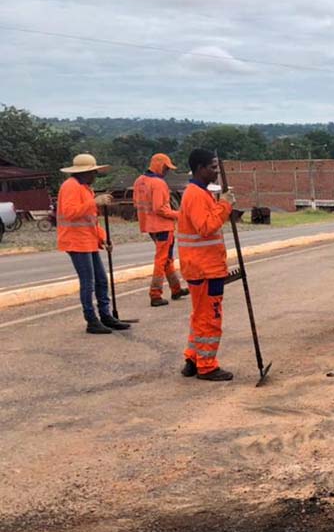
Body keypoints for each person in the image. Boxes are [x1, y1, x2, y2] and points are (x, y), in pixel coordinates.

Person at [56, 153, 131, 334]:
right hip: (76, 241)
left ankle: (105, 315)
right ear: (83, 172)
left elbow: (91, 220)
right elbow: (70, 213)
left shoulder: (84, 188)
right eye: (92, 172)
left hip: (88, 240)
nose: (95, 175)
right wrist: (93, 202)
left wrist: (103, 239)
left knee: (101, 280)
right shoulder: (70, 187)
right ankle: (91, 319)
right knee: (88, 282)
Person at [178, 149, 236, 381]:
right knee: (210, 318)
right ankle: (207, 365)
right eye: (212, 167)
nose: (216, 172)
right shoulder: (195, 195)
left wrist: (221, 203)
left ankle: (192, 358)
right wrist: (224, 206)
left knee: (199, 316)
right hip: (204, 268)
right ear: (200, 168)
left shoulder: (199, 193)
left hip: (202, 266)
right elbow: (206, 226)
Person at [133, 153, 188, 306]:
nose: (167, 171)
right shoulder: (158, 183)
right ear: (161, 166)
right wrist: (180, 214)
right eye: (166, 168)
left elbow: (136, 203)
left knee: (167, 258)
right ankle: (155, 294)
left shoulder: (139, 181)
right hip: (162, 225)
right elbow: (160, 209)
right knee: (162, 259)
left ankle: (176, 288)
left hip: (149, 225)